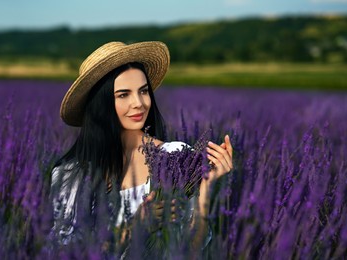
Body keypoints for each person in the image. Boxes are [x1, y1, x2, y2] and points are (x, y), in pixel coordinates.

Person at [50, 41, 233, 256]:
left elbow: (191, 249)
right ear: (101, 104)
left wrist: (205, 192)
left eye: (143, 91)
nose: (139, 103)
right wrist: (135, 229)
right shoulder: (71, 175)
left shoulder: (174, 156)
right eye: (123, 94)